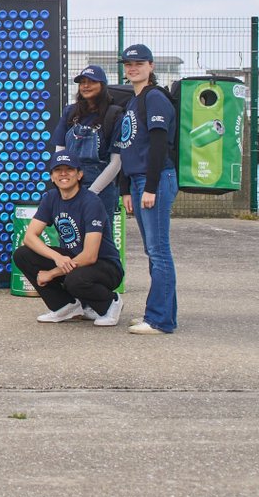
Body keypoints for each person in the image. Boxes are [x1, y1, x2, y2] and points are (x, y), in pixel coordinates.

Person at [13, 149, 124, 326]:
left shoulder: (91, 202)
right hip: (74, 260)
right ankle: (66, 307)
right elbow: (30, 237)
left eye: (69, 169)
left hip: (105, 266)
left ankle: (111, 302)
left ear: (79, 175)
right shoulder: (51, 198)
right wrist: (56, 257)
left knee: (75, 280)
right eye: (58, 170)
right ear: (52, 177)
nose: (63, 174)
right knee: (23, 255)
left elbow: (90, 256)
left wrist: (52, 273)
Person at [115, 43, 177, 335]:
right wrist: (126, 188)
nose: (133, 68)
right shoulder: (133, 101)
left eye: (139, 63)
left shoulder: (154, 98)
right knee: (153, 251)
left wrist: (151, 186)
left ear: (151, 66)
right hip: (139, 181)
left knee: (158, 250)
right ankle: (161, 314)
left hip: (156, 179)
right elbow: (128, 145)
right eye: (128, 64)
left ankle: (160, 320)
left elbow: (158, 144)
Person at [52, 64, 123, 218]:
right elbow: (60, 153)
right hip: (71, 183)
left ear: (102, 85)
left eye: (92, 82)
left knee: (99, 231)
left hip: (101, 188)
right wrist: (64, 183)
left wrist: (92, 193)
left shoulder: (114, 115)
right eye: (82, 82)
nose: (85, 86)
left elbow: (116, 162)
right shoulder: (70, 112)